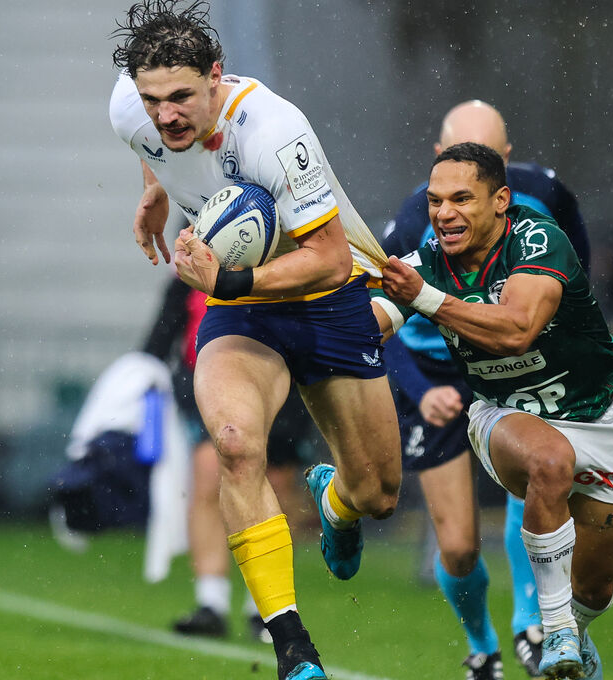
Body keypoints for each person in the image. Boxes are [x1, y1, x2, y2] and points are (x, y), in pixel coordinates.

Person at [109, 3, 401, 679]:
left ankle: (334, 501)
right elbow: (151, 146)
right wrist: (155, 190)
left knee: (378, 493)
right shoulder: (132, 109)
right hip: (241, 309)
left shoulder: (273, 130)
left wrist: (232, 280)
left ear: (217, 76)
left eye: (182, 97)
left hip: (327, 297)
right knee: (236, 446)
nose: (168, 115)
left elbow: (329, 258)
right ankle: (291, 645)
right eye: (154, 100)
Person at [373, 141, 613, 680]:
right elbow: (372, 322)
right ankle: (551, 630)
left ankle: (576, 633)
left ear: (501, 200)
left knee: (597, 588)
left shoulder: (538, 239)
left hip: (600, 417)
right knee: (548, 463)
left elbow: (517, 331)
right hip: (501, 413)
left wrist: (426, 298)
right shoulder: (425, 262)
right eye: (435, 201)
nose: (444, 213)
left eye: (461, 199)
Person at [143, 278, 316, 644]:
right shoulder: (188, 272)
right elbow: (162, 333)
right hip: (208, 378)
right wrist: (142, 373)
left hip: (278, 375)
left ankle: (266, 607)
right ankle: (211, 601)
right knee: (208, 474)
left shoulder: (284, 258)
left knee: (277, 484)